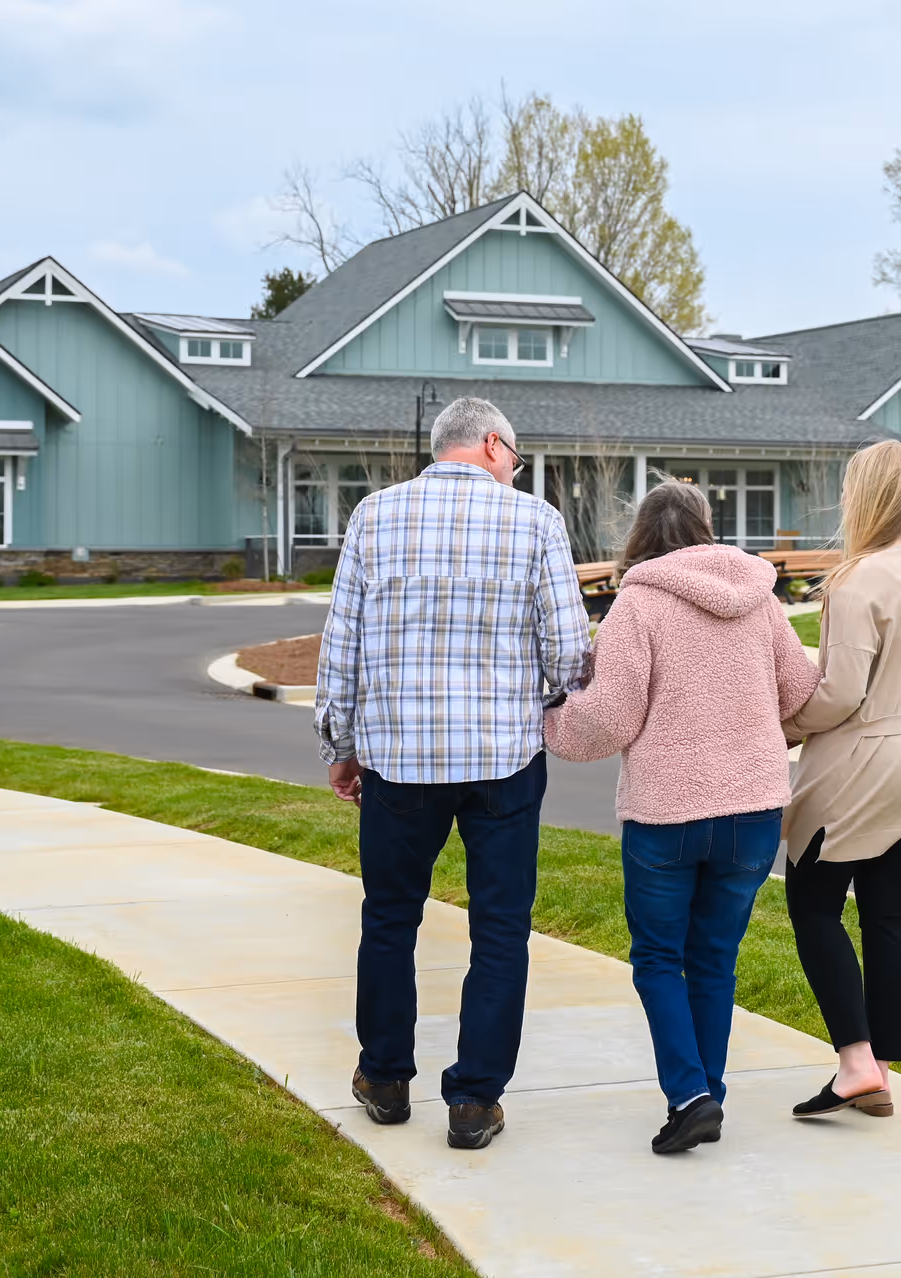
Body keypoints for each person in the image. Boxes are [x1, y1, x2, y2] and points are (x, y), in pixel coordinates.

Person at [315, 397, 590, 1151]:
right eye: (517, 459)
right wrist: (535, 698)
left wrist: (340, 744)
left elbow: (342, 647)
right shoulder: (535, 522)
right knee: (500, 931)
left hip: (399, 761)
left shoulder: (374, 516)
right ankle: (473, 1101)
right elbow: (569, 651)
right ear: (495, 446)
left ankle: (385, 1076)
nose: (516, 471)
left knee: (390, 918)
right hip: (503, 760)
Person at [544, 480, 819, 1154]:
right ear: (706, 527)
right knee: (715, 961)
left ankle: (691, 1095)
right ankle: (707, 1094)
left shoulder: (635, 605)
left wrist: (552, 715)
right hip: (753, 811)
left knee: (660, 959)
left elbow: (609, 719)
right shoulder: (761, 602)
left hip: (666, 813)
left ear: (641, 534)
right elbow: (801, 692)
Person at [781, 440, 901, 1120]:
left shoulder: (858, 580)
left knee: (815, 905)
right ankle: (879, 1067)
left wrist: (785, 722)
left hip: (863, 760)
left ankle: (854, 1064)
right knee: (887, 913)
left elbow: (842, 695)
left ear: (863, 497)